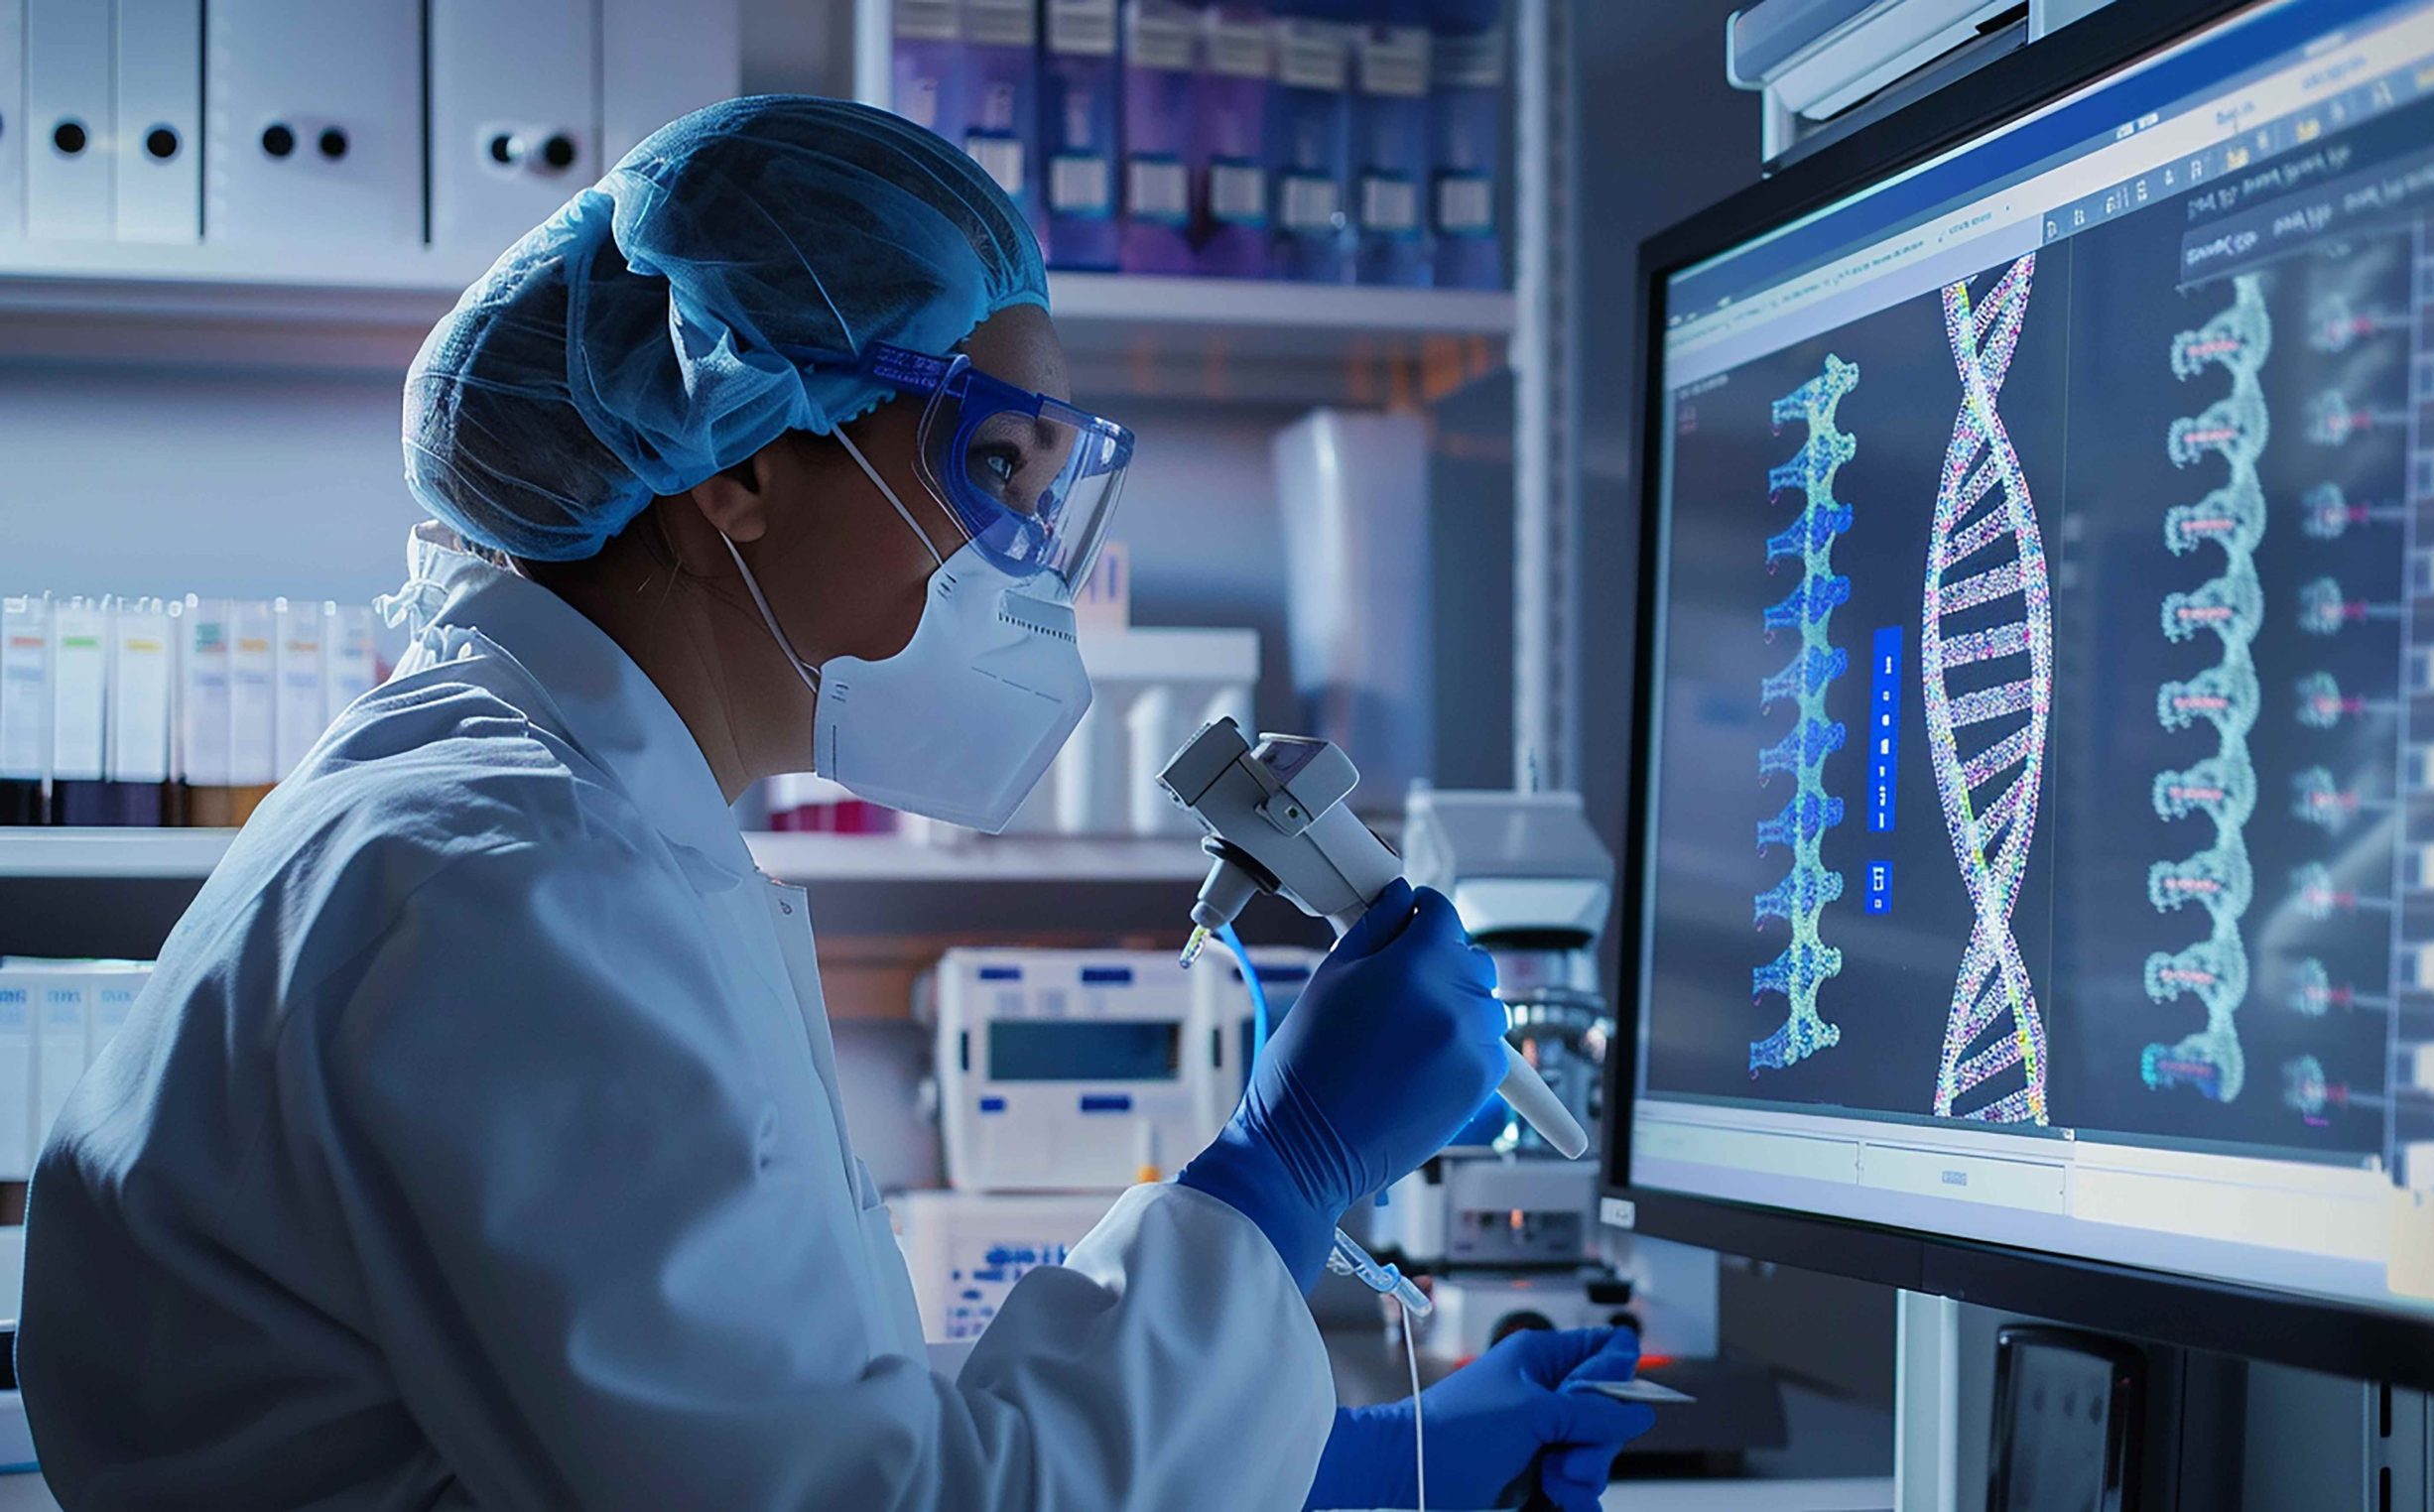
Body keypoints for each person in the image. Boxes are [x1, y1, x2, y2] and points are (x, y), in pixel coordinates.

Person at [15, 98, 1651, 1510]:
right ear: (738, 461)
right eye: (992, 470)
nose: (1030, 562)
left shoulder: (581, 827)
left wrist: (1331, 1467)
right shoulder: (514, 888)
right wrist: (1284, 1171)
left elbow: (809, 1429)